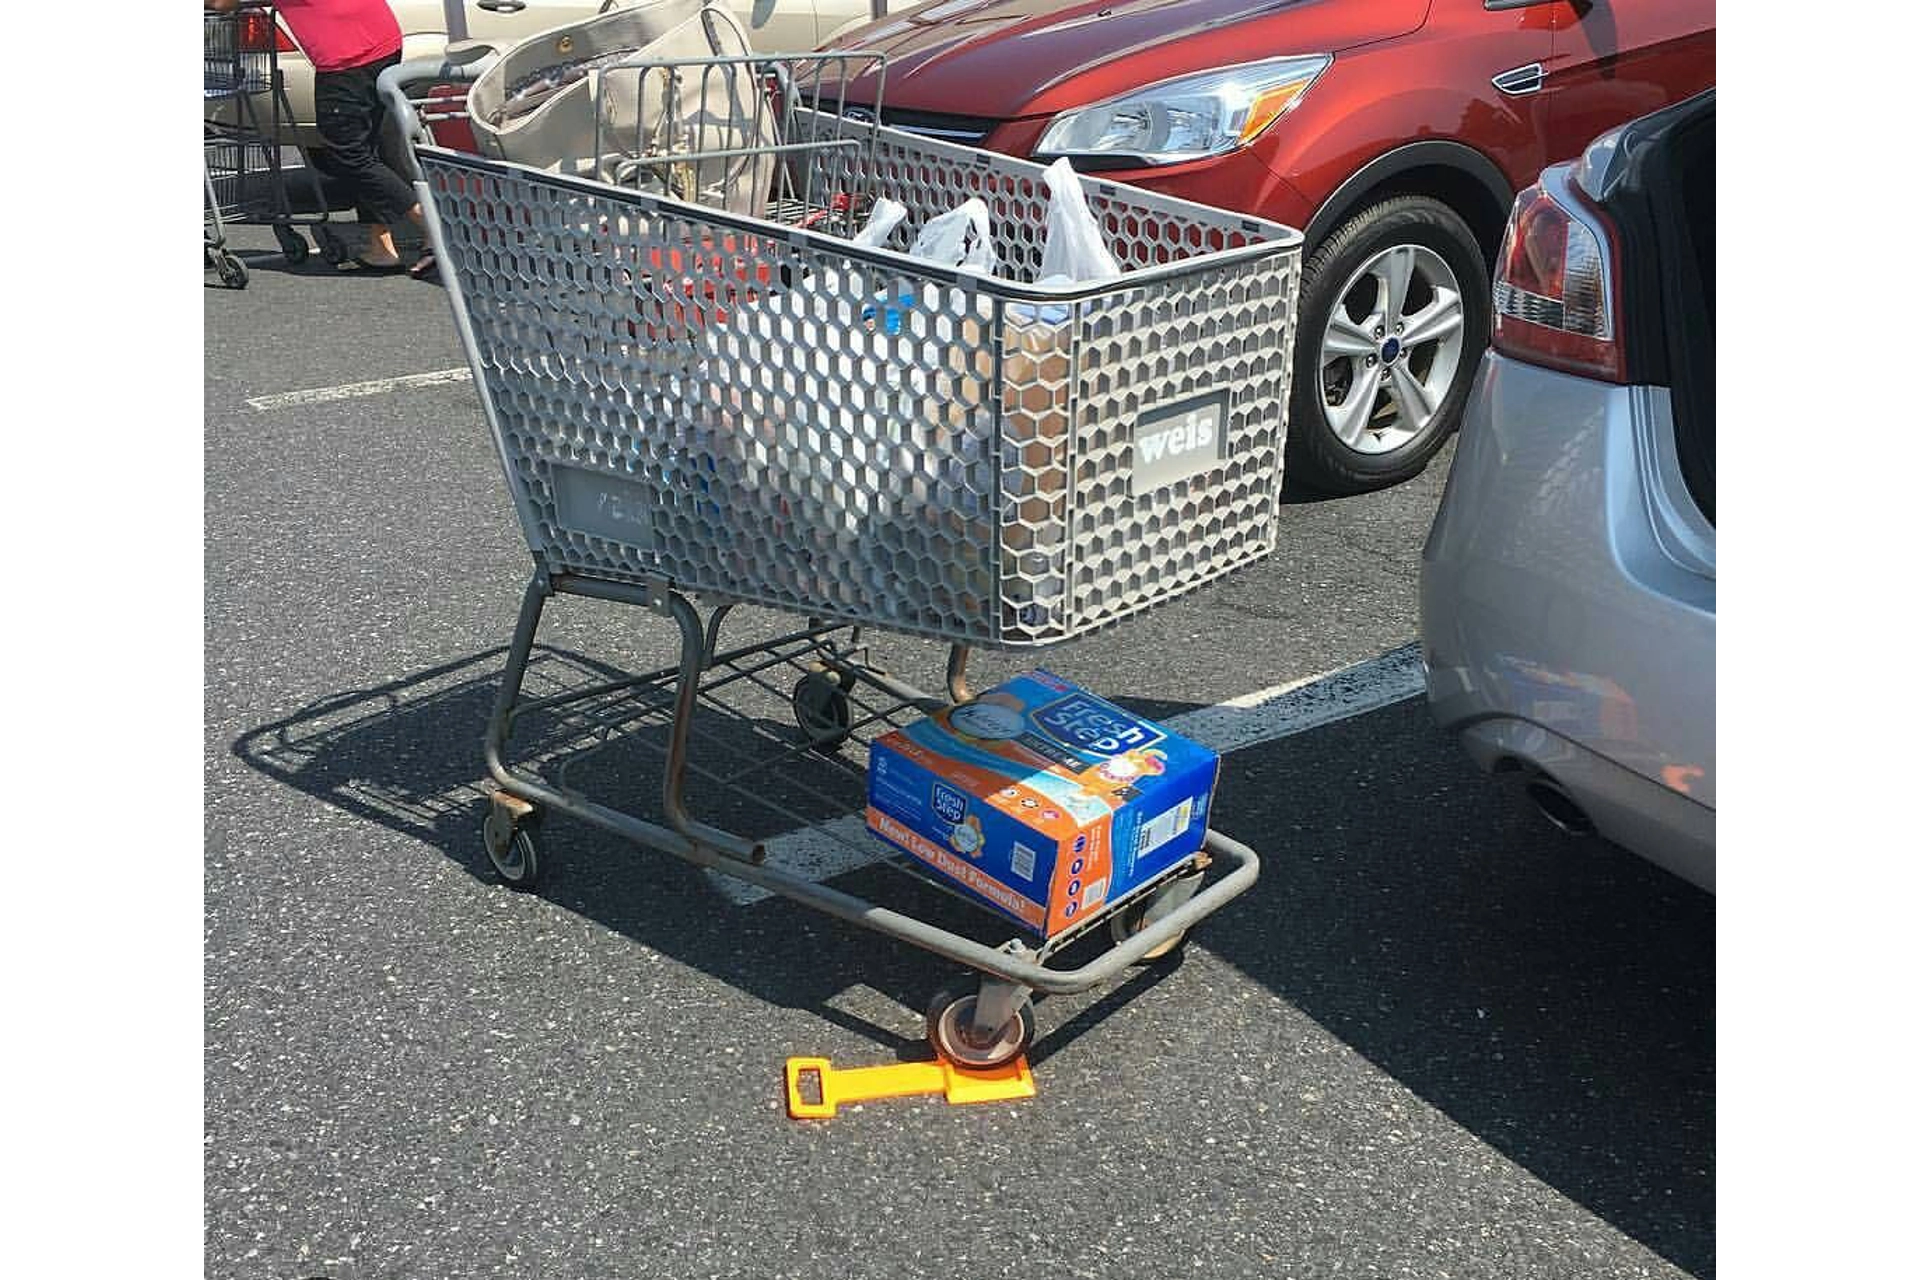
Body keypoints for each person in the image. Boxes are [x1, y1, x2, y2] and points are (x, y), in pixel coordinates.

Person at [205, 0, 435, 278]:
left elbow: (222, 3)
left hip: (347, 56)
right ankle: (381, 246)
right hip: (380, 38)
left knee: (348, 155)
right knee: (366, 148)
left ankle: (433, 228)